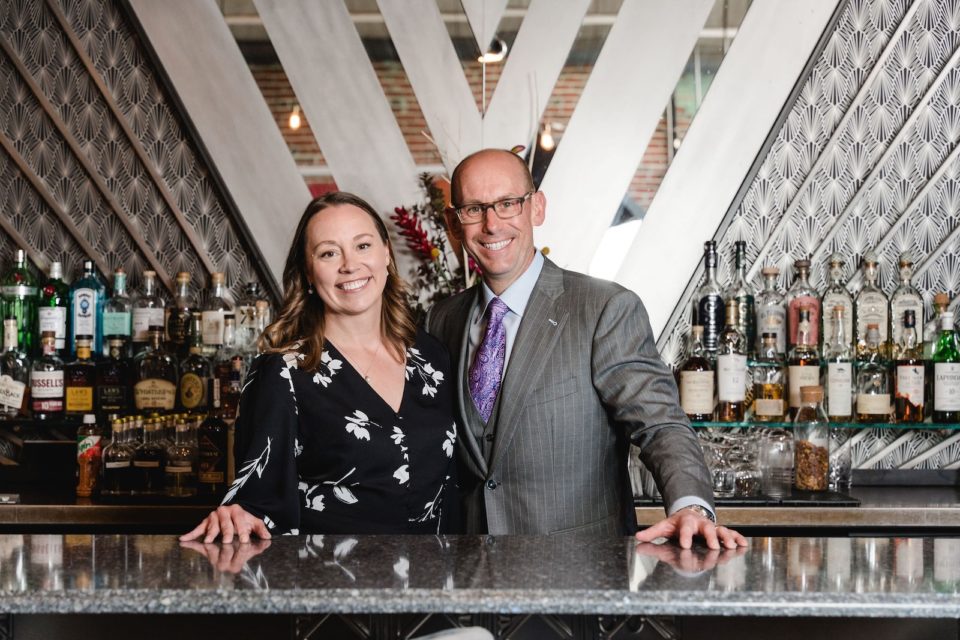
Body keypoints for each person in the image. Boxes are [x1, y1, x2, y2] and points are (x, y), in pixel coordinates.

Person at [426, 149, 746, 549]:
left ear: (536, 208)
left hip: (581, 572)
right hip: (469, 574)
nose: (492, 224)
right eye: (474, 209)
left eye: (508, 203)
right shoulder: (441, 320)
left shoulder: (604, 309)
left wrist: (690, 505)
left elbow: (660, 423)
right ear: (455, 225)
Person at [182, 192, 459, 543]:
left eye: (362, 246)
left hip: (439, 583)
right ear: (308, 273)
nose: (349, 265)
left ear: (386, 253)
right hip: (333, 584)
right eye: (329, 253)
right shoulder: (282, 373)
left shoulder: (431, 357)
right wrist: (239, 512)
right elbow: (257, 497)